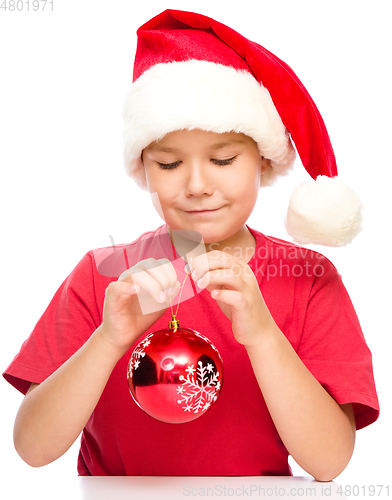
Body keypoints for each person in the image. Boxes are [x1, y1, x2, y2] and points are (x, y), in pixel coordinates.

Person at [3, 9, 379, 479]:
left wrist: (262, 335)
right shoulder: (103, 275)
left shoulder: (308, 279)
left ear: (263, 161)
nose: (197, 185)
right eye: (168, 164)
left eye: (222, 159)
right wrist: (109, 339)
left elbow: (330, 463)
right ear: (142, 167)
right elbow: (33, 449)